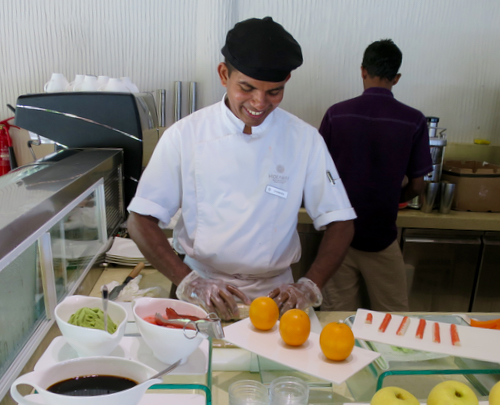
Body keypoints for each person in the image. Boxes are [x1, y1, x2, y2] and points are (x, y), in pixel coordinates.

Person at [127, 17, 355, 320]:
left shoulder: (304, 140)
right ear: (224, 74)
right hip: (204, 293)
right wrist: (189, 282)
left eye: (274, 91)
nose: (259, 103)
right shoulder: (185, 136)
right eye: (246, 88)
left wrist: (309, 286)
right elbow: (140, 219)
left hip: (278, 298)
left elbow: (341, 222)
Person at [319, 39, 432, 312]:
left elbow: (317, 175)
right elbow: (417, 184)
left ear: (362, 70)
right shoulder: (413, 120)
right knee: (393, 319)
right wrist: (396, 199)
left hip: (338, 239)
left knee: (337, 317)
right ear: (397, 77)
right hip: (381, 238)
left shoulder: (336, 114)